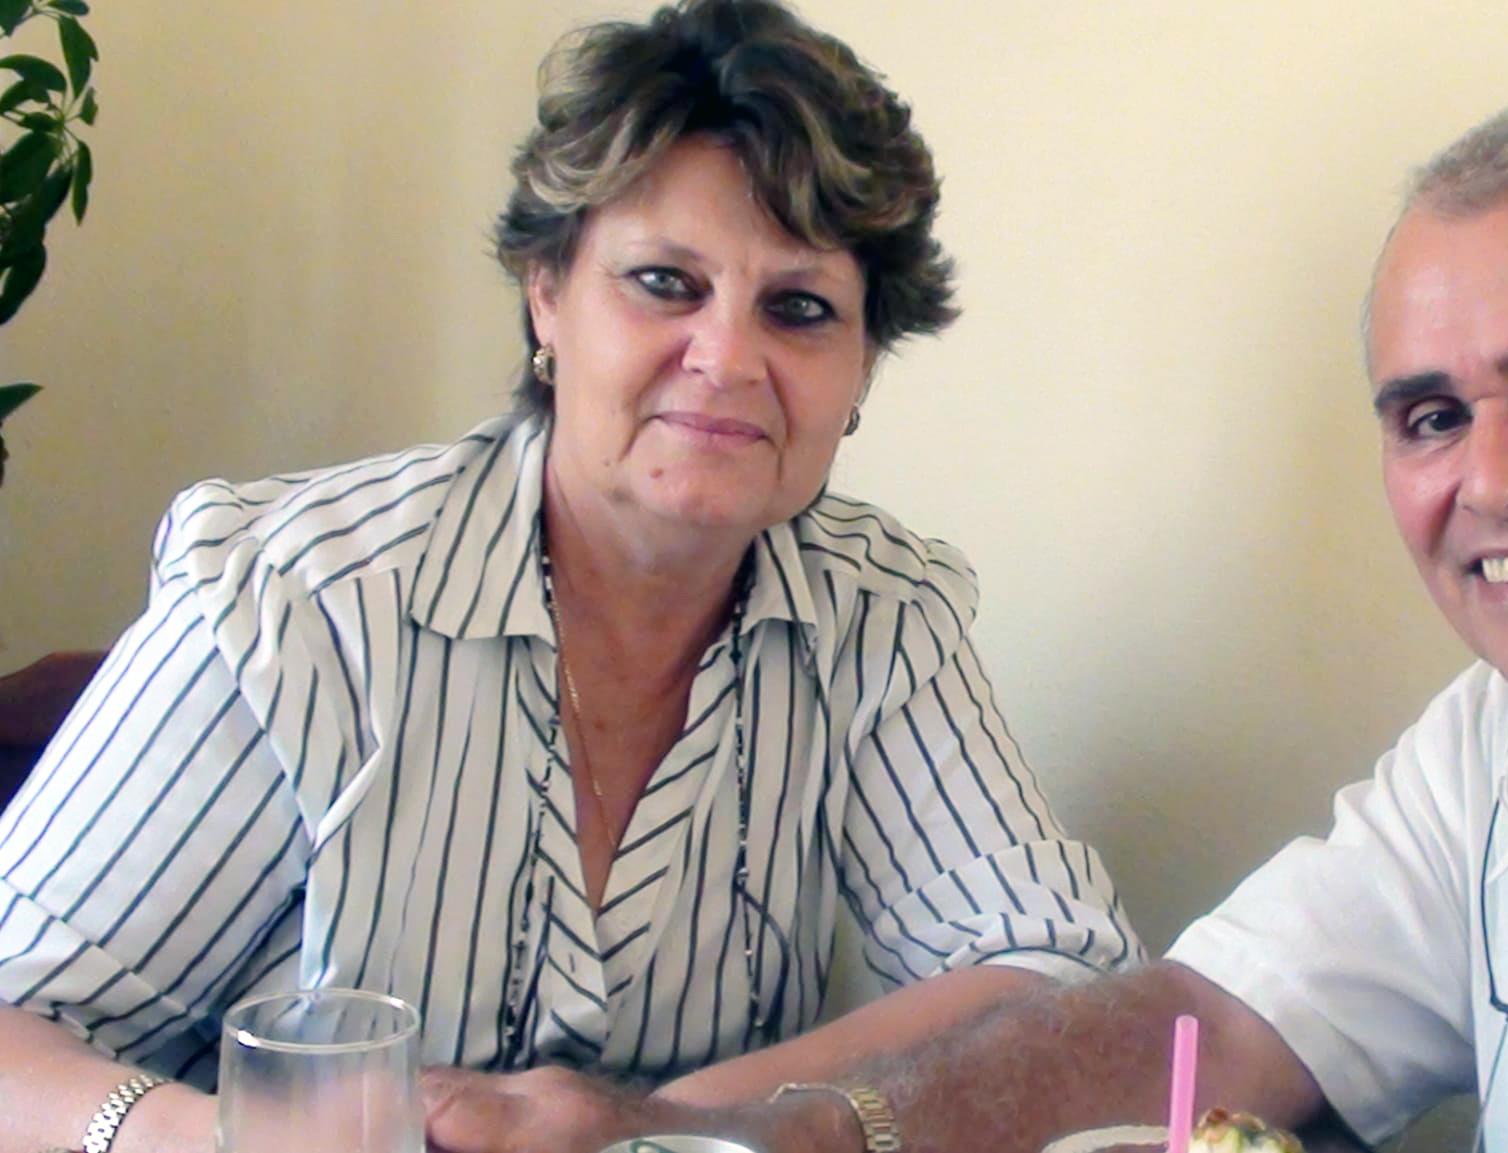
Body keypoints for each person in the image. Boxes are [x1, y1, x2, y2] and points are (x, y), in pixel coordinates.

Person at [652, 104, 1508, 1153]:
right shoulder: (1489, 749)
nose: (1493, 479)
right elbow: (1198, 1021)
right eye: (1432, 416)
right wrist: (782, 1135)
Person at [0, 3, 1137, 1151]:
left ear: (859, 368)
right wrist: (231, 1143)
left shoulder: (877, 615)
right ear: (548, 296)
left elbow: (1058, 975)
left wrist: (656, 1122)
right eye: (663, 282)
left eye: (798, 309)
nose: (727, 359)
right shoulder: (298, 602)